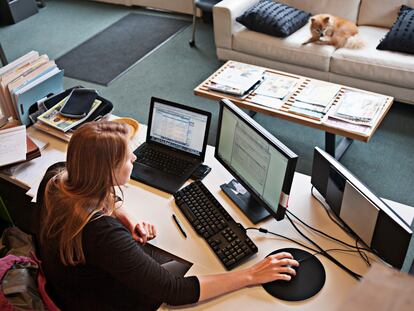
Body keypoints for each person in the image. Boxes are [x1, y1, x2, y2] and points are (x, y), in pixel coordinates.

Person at [36, 121, 299, 311]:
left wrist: (124, 214)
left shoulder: (56, 177)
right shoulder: (101, 234)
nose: (135, 158)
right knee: (192, 282)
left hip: (67, 285)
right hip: (97, 301)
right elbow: (174, 292)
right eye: (128, 158)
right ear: (107, 173)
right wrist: (252, 275)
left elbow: (91, 192)